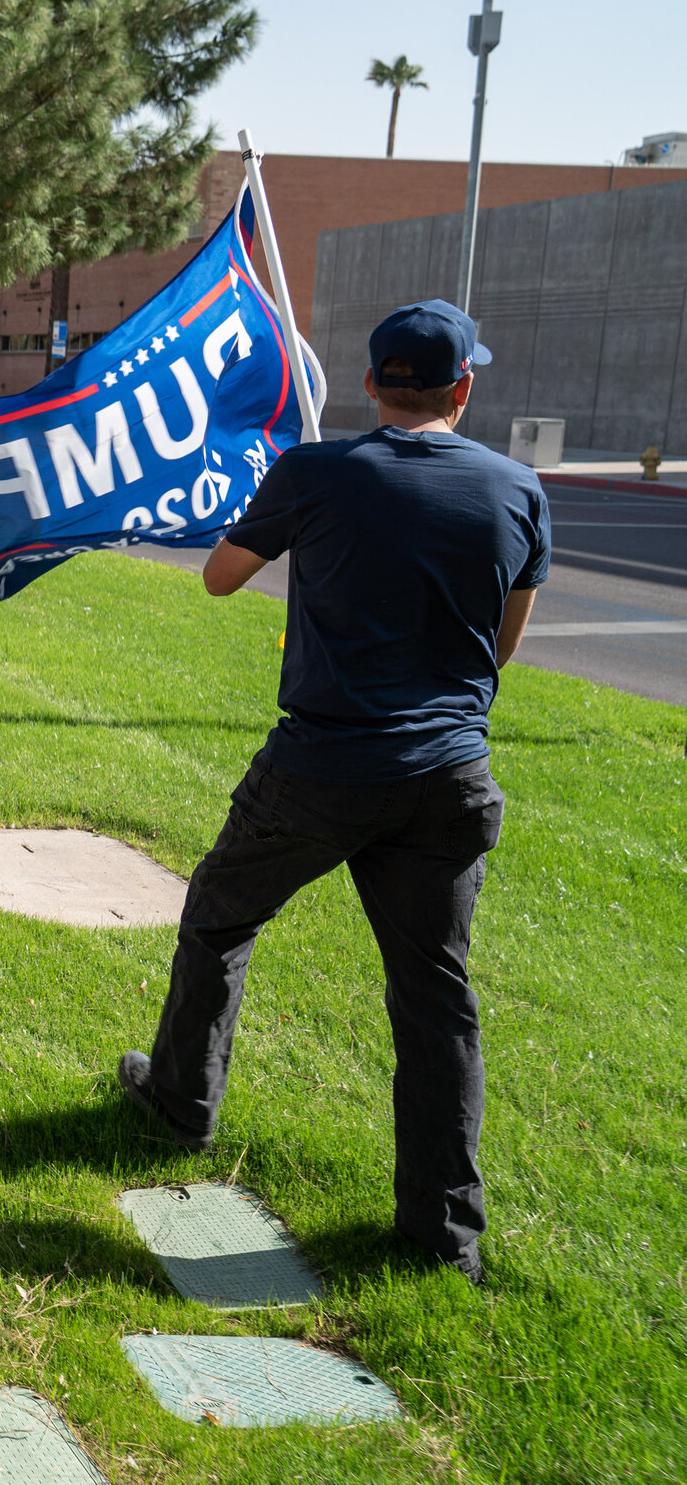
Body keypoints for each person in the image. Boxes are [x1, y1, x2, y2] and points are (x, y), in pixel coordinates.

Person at [119, 299, 548, 1283]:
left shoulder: (317, 471)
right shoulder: (517, 489)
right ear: (463, 387)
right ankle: (443, 1235)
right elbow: (502, 646)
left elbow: (221, 577)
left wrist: (306, 522)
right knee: (435, 995)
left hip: (319, 767)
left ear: (368, 384)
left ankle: (180, 1099)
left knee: (220, 916)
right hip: (448, 776)